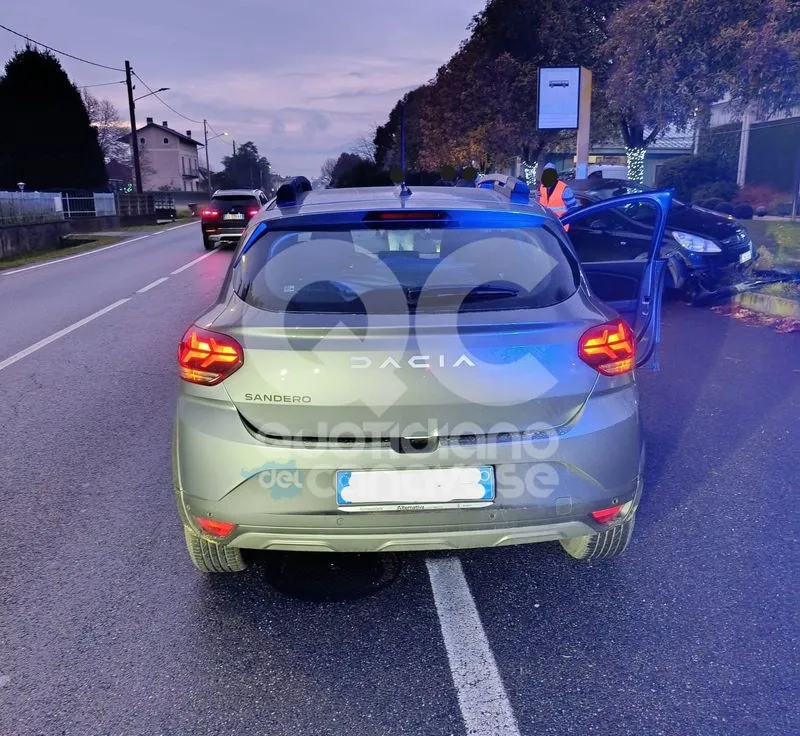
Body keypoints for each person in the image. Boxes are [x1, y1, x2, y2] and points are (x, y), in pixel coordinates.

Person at [538, 162, 579, 231]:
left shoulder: (564, 188)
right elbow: (539, 204)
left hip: (561, 226)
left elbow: (573, 208)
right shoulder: (541, 187)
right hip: (546, 225)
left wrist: (563, 219)